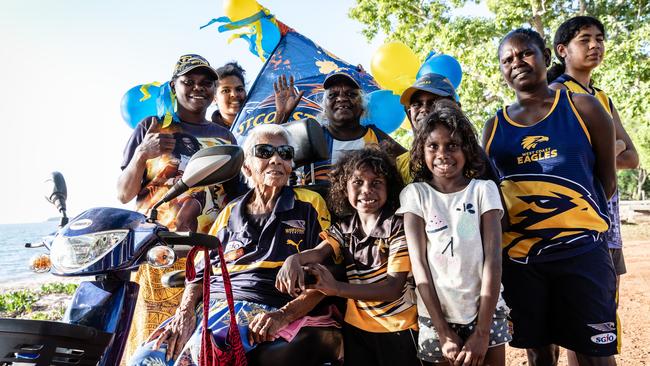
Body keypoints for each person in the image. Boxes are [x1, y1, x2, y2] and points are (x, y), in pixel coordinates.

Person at [129, 124, 337, 366]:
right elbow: (200, 271)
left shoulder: (310, 203)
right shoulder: (230, 211)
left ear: (291, 164)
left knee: (201, 355)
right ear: (247, 166)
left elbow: (328, 273)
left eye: (285, 153)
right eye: (265, 151)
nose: (277, 159)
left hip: (264, 302)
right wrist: (184, 312)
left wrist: (283, 315)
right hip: (209, 307)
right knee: (147, 358)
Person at [484, 28, 617, 366]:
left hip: (583, 254)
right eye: (507, 59)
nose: (517, 62)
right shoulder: (493, 127)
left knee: (595, 354)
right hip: (523, 262)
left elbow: (607, 182)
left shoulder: (583, 107)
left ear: (545, 54)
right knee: (539, 353)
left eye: (525, 53)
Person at [117, 54, 237, 363]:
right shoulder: (152, 127)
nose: (198, 88)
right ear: (174, 86)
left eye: (206, 82)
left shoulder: (224, 136)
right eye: (189, 82)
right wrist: (143, 153)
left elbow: (235, 199)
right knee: (149, 342)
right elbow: (123, 193)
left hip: (206, 258)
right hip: (157, 254)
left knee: (197, 347)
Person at [548, 15, 639, 366]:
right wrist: (606, 147)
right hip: (568, 225)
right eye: (584, 39)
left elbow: (631, 157)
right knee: (571, 324)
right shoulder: (555, 97)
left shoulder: (602, 98)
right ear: (562, 50)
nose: (594, 44)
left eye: (599, 38)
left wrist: (598, 151)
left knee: (599, 318)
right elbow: (558, 160)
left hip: (607, 225)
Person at [276, 147, 421, 366]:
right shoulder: (344, 228)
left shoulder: (397, 227)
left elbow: (392, 289)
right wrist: (293, 260)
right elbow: (319, 252)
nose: (367, 190)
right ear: (344, 188)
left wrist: (336, 289)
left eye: (376, 183)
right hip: (357, 328)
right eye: (358, 182)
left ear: (389, 188)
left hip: (398, 327)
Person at [398, 107, 509, 365]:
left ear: (467, 150)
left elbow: (493, 261)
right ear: (420, 151)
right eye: (433, 146)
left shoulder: (484, 190)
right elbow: (420, 267)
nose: (442, 154)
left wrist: (482, 332)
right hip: (437, 317)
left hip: (486, 312)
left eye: (452, 145)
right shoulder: (415, 195)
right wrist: (443, 331)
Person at [287, 68, 406, 185]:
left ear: (362, 106)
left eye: (351, 94)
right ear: (324, 107)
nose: (342, 98)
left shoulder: (376, 136)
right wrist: (283, 114)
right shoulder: (312, 137)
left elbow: (413, 163)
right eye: (333, 95)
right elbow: (274, 158)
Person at [211, 62, 247, 129]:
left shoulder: (262, 122)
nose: (234, 95)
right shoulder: (207, 134)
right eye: (226, 91)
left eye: (239, 89)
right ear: (214, 98)